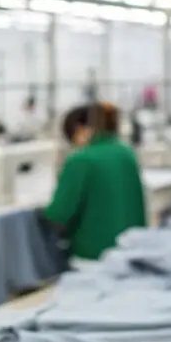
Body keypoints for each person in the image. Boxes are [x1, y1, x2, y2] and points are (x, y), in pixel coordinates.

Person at [43, 103, 146, 261]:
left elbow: (58, 214)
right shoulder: (126, 153)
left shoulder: (80, 160)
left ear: (80, 130)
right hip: (132, 252)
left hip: (94, 255)